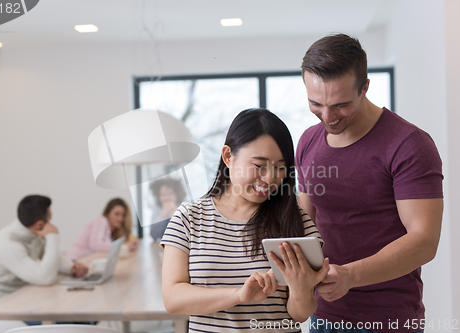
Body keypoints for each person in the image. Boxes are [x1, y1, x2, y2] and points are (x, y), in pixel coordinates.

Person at [296, 34, 443, 333]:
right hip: (323, 316)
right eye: (316, 103)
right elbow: (303, 224)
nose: (327, 116)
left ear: (364, 87)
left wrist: (350, 276)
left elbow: (424, 241)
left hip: (388, 319)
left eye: (340, 105)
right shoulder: (308, 141)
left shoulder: (409, 144)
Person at [161, 108, 330, 333]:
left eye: (280, 167)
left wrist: (301, 290)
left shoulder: (295, 219)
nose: (270, 178)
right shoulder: (188, 218)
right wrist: (239, 295)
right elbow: (173, 299)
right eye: (259, 165)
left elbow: (300, 314)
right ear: (228, 156)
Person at [0, 195, 88, 301]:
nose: (51, 222)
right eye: (50, 217)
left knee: (75, 306)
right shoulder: (7, 245)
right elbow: (45, 278)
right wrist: (53, 236)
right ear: (39, 224)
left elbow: (48, 257)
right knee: (73, 314)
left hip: (19, 296)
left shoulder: (32, 234)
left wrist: (71, 267)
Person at [66, 198, 138, 261]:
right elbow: (95, 245)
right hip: (75, 262)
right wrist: (122, 246)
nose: (120, 218)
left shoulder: (111, 232)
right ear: (107, 213)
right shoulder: (101, 220)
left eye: (123, 215)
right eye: (117, 214)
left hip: (86, 262)